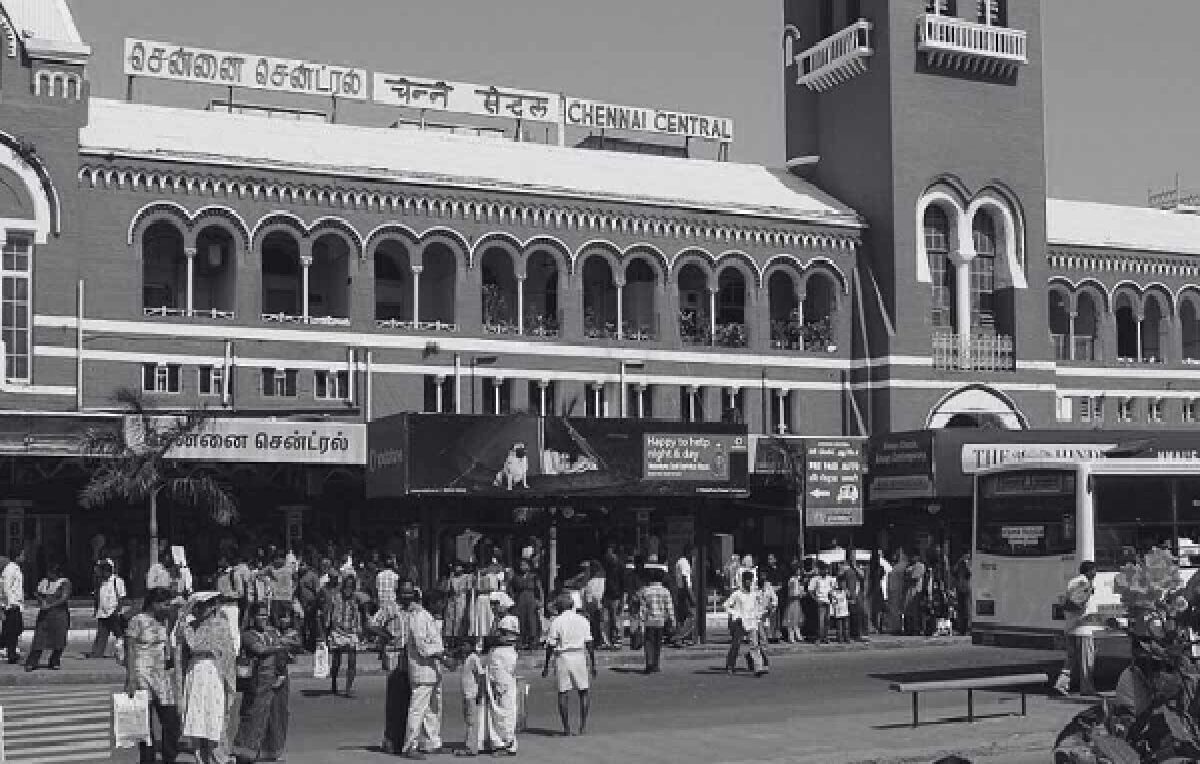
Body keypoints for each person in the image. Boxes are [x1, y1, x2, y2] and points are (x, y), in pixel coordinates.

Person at [233, 602, 300, 763]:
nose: (263, 618)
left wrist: (285, 643)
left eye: (265, 615)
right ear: (252, 617)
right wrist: (281, 645)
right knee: (253, 716)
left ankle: (270, 751)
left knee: (276, 716)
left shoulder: (271, 632)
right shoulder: (248, 635)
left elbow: (295, 643)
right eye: (260, 615)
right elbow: (260, 650)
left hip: (278, 679)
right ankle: (245, 752)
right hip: (258, 681)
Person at [125, 588, 181, 764]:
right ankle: (147, 760)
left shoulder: (164, 620)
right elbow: (130, 649)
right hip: (141, 674)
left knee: (172, 722)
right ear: (154, 603)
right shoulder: (137, 621)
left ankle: (169, 757)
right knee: (145, 725)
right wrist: (131, 678)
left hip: (162, 676)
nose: (167, 607)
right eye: (164, 604)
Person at [180, 592, 237, 764]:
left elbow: (225, 651)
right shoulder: (191, 625)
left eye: (204, 605)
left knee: (214, 714)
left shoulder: (221, 624)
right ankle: (200, 757)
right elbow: (185, 644)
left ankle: (217, 756)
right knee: (196, 715)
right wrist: (185, 615)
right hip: (195, 672)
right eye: (198, 606)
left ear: (212, 607)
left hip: (214, 671)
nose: (200, 609)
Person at [542, 592, 596, 736]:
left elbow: (550, 645)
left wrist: (546, 665)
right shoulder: (582, 620)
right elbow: (589, 643)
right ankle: (583, 726)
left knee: (563, 693)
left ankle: (566, 728)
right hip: (579, 655)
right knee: (583, 691)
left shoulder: (557, 622)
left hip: (563, 657)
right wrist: (593, 663)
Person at [404, 589, 449, 759]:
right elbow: (422, 647)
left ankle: (431, 742)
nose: (442, 606)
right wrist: (443, 658)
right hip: (422, 670)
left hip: (433, 671)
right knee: (418, 709)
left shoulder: (430, 618)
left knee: (433, 709)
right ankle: (410, 745)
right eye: (441, 602)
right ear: (433, 603)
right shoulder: (419, 618)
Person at [480, 592, 520, 756]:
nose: (493, 607)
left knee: (505, 701)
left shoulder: (509, 620)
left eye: (496, 604)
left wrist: (492, 639)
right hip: (496, 661)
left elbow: (507, 639)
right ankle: (498, 740)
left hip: (503, 662)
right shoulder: (498, 620)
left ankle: (507, 740)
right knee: (496, 701)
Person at [379, 580, 414, 755]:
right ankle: (390, 739)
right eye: (404, 592)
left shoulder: (415, 609)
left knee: (407, 701)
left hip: (410, 658)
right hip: (394, 656)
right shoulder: (389, 608)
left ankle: (401, 739)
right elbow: (372, 624)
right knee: (394, 701)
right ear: (397, 592)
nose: (407, 596)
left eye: (410, 592)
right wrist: (388, 636)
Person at [1054, 561, 1099, 696]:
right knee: (1087, 660)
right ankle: (1087, 688)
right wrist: (1088, 593)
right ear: (1089, 571)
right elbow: (1079, 603)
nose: (1096, 573)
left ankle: (1062, 684)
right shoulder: (1084, 583)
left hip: (1070, 626)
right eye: (1094, 570)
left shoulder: (1072, 582)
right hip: (1083, 627)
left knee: (1071, 658)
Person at [24, 562, 70, 671]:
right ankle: (32, 662)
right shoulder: (44, 582)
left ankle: (54, 661)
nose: (49, 575)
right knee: (39, 638)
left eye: (51, 573)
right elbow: (37, 593)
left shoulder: (64, 582)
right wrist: (41, 601)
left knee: (59, 638)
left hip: (59, 614)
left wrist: (50, 605)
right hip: (45, 615)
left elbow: (64, 597)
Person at [326, 574, 364, 697]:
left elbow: (359, 614)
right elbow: (331, 616)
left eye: (351, 587)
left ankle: (348, 688)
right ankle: (334, 681)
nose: (348, 589)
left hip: (351, 631)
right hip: (338, 630)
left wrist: (359, 629)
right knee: (336, 661)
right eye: (346, 586)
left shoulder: (356, 599)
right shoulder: (336, 598)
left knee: (352, 661)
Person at [724, 570, 766, 676]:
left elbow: (759, 607)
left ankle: (758, 667)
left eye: (750, 580)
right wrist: (736, 615)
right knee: (736, 645)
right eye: (746, 580)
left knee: (755, 645)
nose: (748, 582)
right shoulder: (737, 594)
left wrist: (759, 616)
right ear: (742, 581)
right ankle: (730, 665)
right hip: (740, 623)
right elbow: (726, 605)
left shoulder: (754, 594)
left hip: (752, 622)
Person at [636, 566, 675, 674]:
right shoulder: (665, 591)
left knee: (649, 643)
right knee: (658, 644)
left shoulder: (646, 591)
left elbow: (642, 608)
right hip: (660, 621)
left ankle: (649, 664)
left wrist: (641, 621)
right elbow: (669, 607)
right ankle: (656, 665)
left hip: (649, 621)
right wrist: (672, 620)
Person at [90, 559, 127, 659]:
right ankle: (97, 653)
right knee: (101, 634)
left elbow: (121, 597)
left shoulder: (117, 581)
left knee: (119, 634)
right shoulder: (100, 582)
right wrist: (96, 609)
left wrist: (117, 611)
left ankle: (124, 652)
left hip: (113, 612)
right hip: (102, 612)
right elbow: (97, 596)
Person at [457, 639, 484, 757]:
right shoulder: (467, 659)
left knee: (472, 721)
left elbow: (481, 676)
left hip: (472, 695)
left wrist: (479, 694)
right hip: (467, 695)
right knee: (468, 721)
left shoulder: (473, 658)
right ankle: (469, 745)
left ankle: (471, 748)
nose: (463, 647)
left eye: (465, 644)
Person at [509, 559, 543, 651]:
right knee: (521, 620)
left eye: (525, 565)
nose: (523, 567)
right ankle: (522, 641)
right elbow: (511, 589)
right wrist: (513, 599)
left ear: (529, 566)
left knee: (532, 620)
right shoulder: (516, 577)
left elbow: (539, 589)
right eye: (521, 565)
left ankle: (533, 641)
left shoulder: (534, 577)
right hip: (520, 600)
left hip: (531, 599)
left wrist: (540, 601)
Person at [0, 547, 25, 664]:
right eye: (22, 555)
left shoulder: (16, 568)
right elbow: (6, 587)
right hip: (12, 605)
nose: (24, 557)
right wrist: (10, 604)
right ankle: (11, 653)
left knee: (16, 629)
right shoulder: (10, 569)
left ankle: (10, 650)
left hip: (16, 603)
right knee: (13, 630)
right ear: (17, 556)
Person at [295, 558, 321, 653]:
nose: (301, 567)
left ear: (307, 565)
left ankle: (312, 646)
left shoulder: (313, 576)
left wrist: (317, 605)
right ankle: (304, 645)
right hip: (302, 606)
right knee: (303, 626)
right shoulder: (299, 576)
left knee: (312, 626)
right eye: (300, 565)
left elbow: (318, 592)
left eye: (303, 565)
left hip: (312, 605)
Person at [601, 544, 624, 649]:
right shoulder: (607, 567)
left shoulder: (620, 567)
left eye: (610, 552)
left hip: (616, 596)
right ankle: (607, 641)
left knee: (616, 620)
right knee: (605, 620)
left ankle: (617, 640)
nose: (608, 555)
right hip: (607, 595)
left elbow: (623, 584)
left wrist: (622, 599)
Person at [673, 544, 696, 646]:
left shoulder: (680, 561)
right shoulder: (684, 563)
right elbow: (685, 579)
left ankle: (682, 638)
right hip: (685, 591)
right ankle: (680, 636)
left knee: (682, 616)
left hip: (681, 590)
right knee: (691, 615)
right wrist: (691, 596)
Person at [807, 561, 835, 644]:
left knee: (827, 621)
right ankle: (819, 637)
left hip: (828, 601)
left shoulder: (830, 578)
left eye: (826, 570)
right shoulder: (815, 579)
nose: (826, 571)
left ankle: (826, 637)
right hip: (820, 601)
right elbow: (810, 590)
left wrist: (832, 596)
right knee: (820, 621)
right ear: (820, 570)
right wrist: (816, 599)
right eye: (824, 570)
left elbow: (833, 588)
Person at [267, 550, 295, 629]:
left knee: (286, 619)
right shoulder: (271, 568)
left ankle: (286, 631)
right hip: (276, 598)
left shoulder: (289, 568)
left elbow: (295, 581)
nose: (276, 561)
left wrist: (292, 592)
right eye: (275, 559)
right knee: (276, 619)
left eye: (278, 558)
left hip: (286, 598)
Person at [783, 562, 806, 643]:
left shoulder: (798, 580)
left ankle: (797, 635)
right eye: (798, 570)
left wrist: (801, 593)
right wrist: (799, 594)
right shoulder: (792, 580)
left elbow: (799, 590)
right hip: (792, 601)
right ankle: (791, 636)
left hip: (797, 601)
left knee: (796, 618)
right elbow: (791, 592)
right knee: (791, 618)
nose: (799, 571)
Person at [952, 552, 972, 636]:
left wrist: (966, 564)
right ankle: (961, 628)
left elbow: (970, 573)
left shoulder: (970, 564)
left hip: (967, 589)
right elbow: (954, 571)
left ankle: (968, 628)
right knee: (960, 609)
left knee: (967, 609)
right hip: (960, 589)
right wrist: (959, 561)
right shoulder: (959, 564)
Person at [830, 570, 850, 644]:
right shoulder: (834, 592)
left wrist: (846, 591)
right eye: (841, 583)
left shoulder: (844, 591)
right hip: (838, 611)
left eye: (844, 583)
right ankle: (840, 638)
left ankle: (846, 638)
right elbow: (832, 600)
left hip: (845, 611)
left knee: (846, 626)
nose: (842, 584)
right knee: (839, 627)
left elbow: (849, 596)